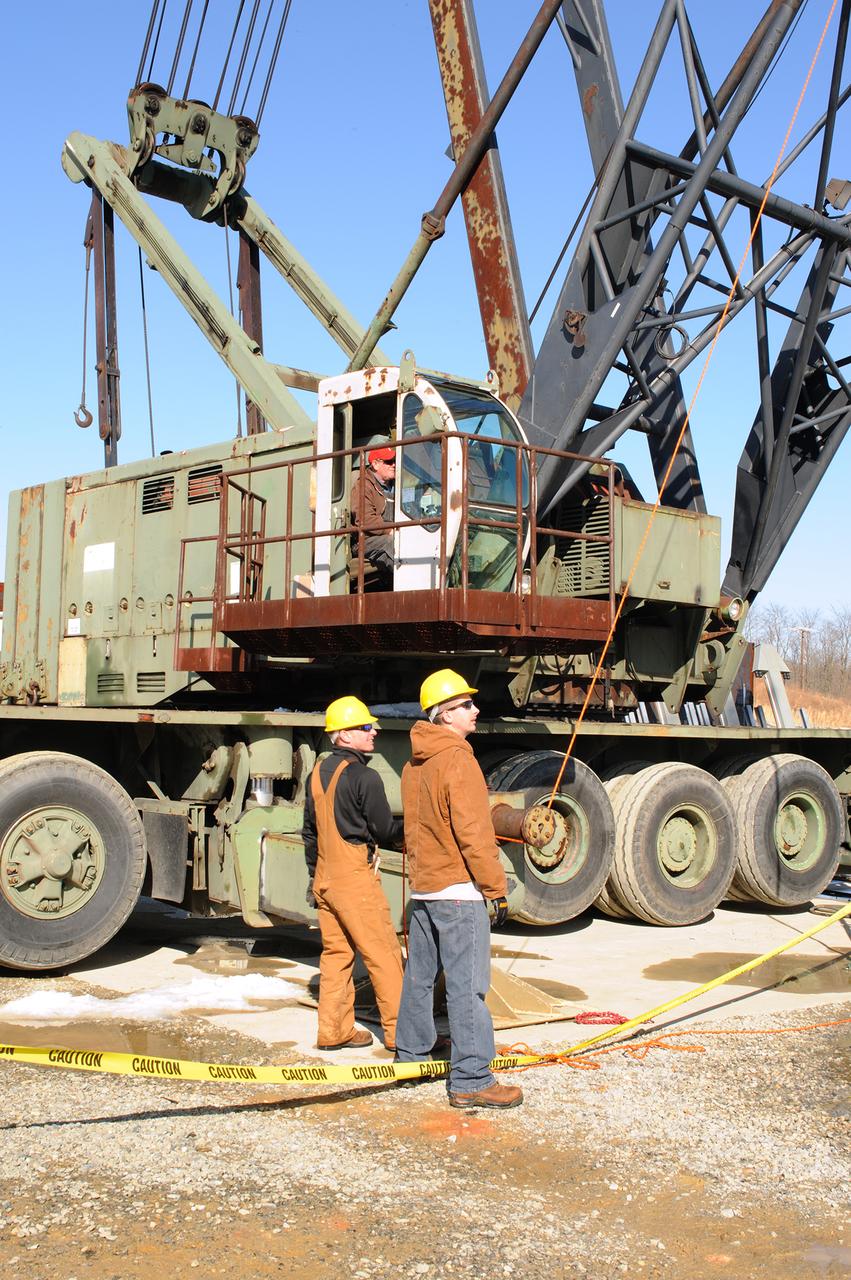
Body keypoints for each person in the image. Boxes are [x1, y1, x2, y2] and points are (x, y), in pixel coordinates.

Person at [395, 670, 523, 1111]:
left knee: (419, 979)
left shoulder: (414, 764)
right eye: (466, 705)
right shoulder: (459, 760)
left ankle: (411, 1058)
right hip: (458, 890)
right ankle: (471, 1078)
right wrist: (496, 888)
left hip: (425, 889)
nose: (476, 709)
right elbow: (474, 832)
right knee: (467, 988)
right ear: (446, 714)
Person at [302, 695, 404, 1052]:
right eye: (365, 727)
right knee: (384, 954)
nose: (373, 731)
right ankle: (400, 1034)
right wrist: (409, 834)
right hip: (354, 880)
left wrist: (314, 879)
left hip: (325, 879)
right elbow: (384, 830)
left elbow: (310, 833)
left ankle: (334, 1031)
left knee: (336, 956)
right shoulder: (366, 776)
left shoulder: (316, 774)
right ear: (344, 735)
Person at [350, 445, 396, 585]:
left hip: (390, 534)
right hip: (366, 540)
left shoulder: (396, 485)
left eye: (394, 460)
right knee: (394, 544)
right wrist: (390, 530)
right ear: (375, 464)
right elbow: (365, 520)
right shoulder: (363, 486)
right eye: (388, 462)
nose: (393, 465)